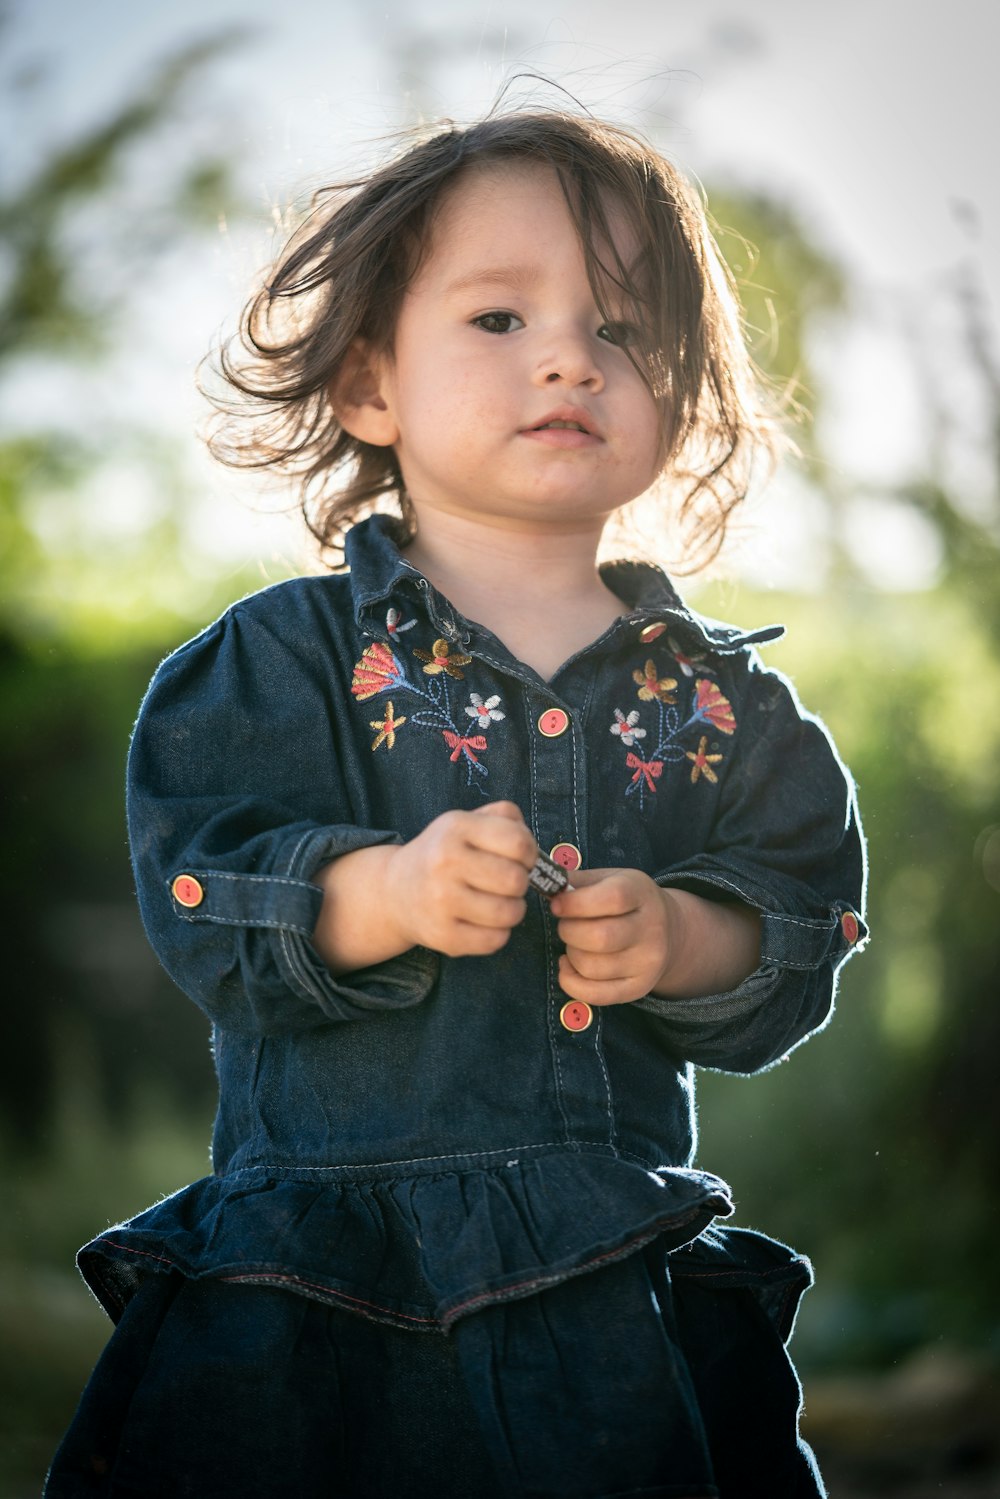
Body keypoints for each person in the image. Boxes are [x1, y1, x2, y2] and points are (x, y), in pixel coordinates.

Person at [46, 108, 867, 1498]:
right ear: (371, 386)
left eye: (623, 328)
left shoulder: (728, 709)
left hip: (609, 1306)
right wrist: (386, 891)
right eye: (499, 316)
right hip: (314, 1292)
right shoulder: (279, 662)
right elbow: (202, 885)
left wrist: (686, 937)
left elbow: (805, 913)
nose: (569, 355)